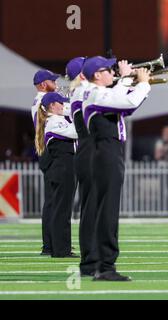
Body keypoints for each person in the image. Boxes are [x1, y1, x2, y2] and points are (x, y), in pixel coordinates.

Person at [82, 56, 151, 281]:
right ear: (97, 75)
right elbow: (128, 103)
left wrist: (131, 83)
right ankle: (106, 267)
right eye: (108, 70)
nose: (113, 73)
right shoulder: (95, 93)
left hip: (106, 152)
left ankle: (103, 264)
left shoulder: (103, 94)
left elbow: (127, 108)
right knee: (108, 210)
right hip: (105, 152)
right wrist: (141, 82)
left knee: (106, 210)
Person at [35, 92, 78, 257]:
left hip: (61, 168)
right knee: (63, 211)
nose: (63, 105)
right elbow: (76, 131)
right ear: (52, 105)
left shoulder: (54, 120)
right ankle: (61, 249)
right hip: (63, 169)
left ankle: (56, 246)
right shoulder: (54, 122)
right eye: (60, 103)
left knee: (59, 209)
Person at [66, 57, 99, 276]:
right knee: (91, 210)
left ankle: (91, 258)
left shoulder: (80, 92)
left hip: (86, 154)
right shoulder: (83, 93)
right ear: (81, 75)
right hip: (89, 154)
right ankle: (90, 260)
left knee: (92, 209)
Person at [32, 70, 59, 256]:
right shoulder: (43, 101)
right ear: (43, 84)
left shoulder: (41, 100)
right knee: (53, 202)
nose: (56, 84)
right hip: (50, 152)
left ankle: (53, 242)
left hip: (46, 151)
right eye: (52, 81)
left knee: (53, 201)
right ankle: (50, 244)